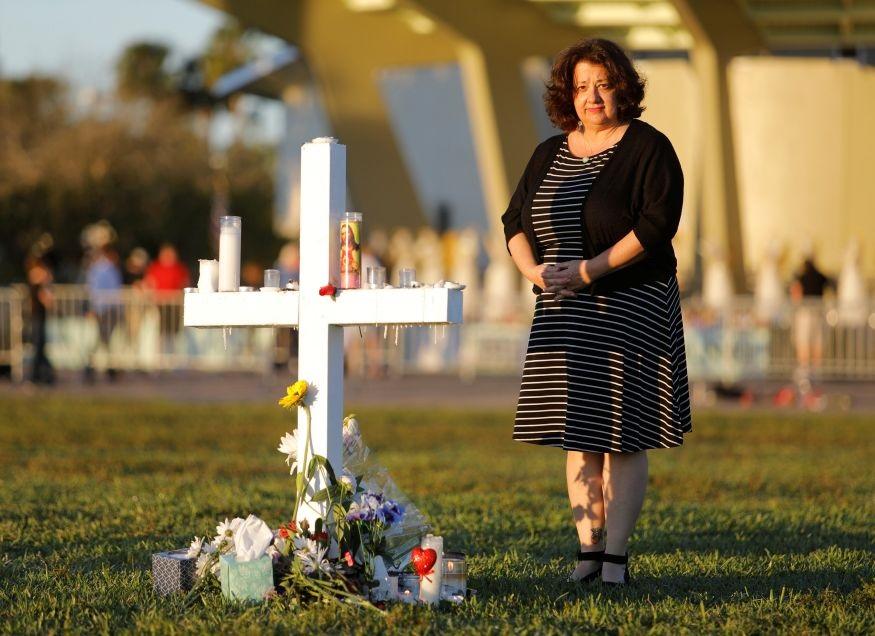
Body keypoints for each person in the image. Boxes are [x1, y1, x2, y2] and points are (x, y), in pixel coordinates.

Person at [501, 39, 692, 586]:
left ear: (623, 89)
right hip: (565, 309)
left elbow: (657, 225)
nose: (592, 97)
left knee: (623, 436)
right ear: (568, 94)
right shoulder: (548, 153)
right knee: (579, 434)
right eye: (582, 87)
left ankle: (616, 560)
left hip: (633, 305)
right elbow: (514, 221)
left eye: (603, 85)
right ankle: (588, 553)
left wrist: (590, 269)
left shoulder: (648, 147)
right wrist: (534, 272)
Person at [85, 245, 123, 382]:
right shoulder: (101, 269)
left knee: (104, 339)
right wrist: (93, 308)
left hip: (108, 308)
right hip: (104, 309)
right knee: (101, 339)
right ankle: (92, 369)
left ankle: (104, 369)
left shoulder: (106, 269)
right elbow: (95, 290)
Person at [25, 256, 55, 385]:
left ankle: (42, 376)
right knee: (38, 346)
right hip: (37, 316)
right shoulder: (37, 278)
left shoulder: (39, 281)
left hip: (39, 316)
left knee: (40, 346)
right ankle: (38, 376)